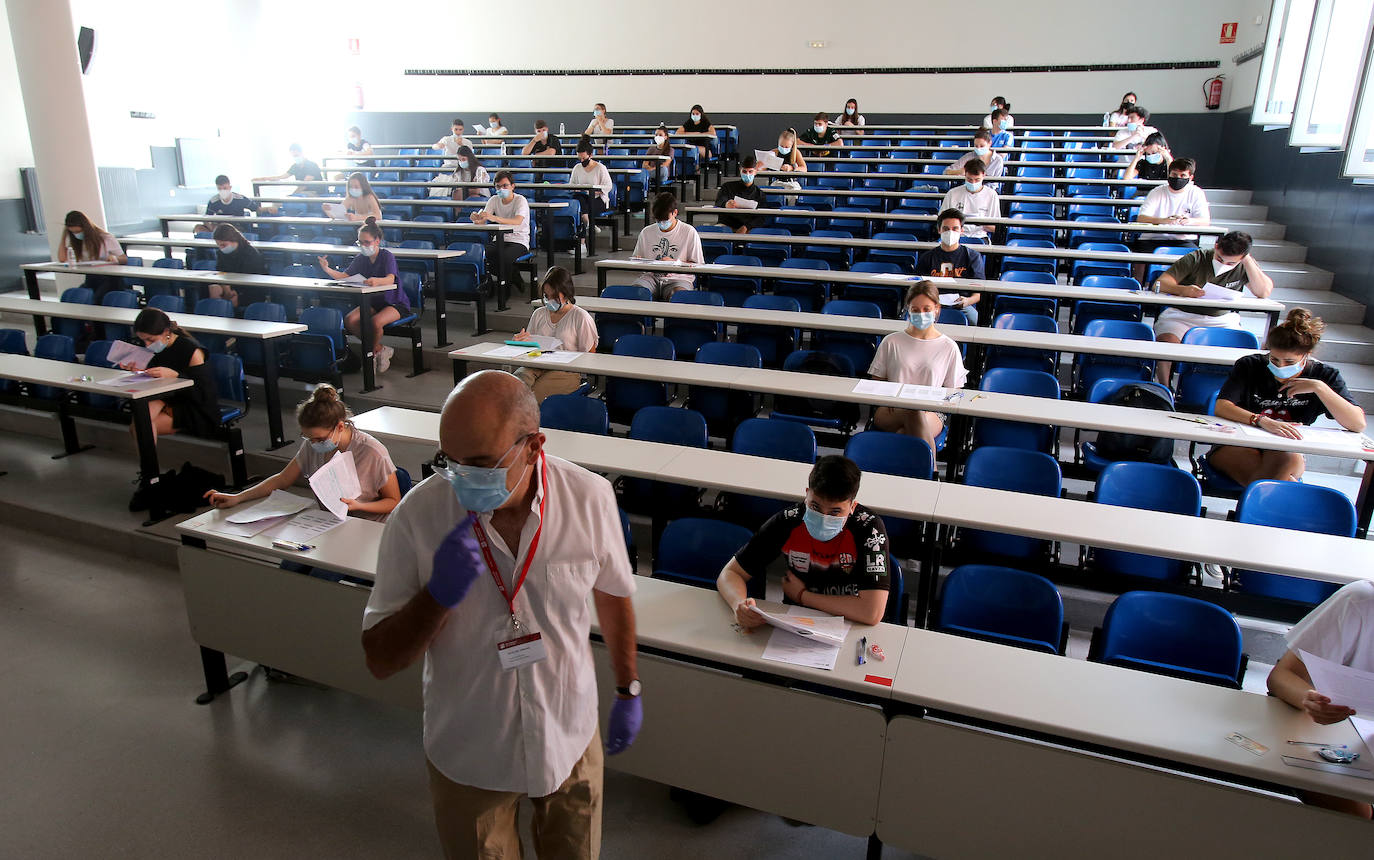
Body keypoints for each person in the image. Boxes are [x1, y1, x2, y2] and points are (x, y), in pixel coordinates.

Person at [361, 370, 642, 859]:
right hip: (472, 749)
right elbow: (381, 659)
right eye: (448, 461)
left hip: (567, 734)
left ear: (534, 446)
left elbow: (614, 595)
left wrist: (627, 687)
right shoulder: (417, 517)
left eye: (481, 463)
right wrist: (438, 596)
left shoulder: (589, 499)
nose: (460, 478)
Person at [717, 455, 891, 627]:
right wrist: (738, 605)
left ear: (852, 507)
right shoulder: (788, 521)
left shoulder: (869, 528)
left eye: (835, 512)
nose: (823, 518)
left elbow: (871, 612)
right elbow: (730, 574)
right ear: (806, 495)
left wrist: (802, 596)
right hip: (794, 622)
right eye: (815, 507)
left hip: (849, 622)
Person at [1210, 309, 1364, 484]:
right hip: (1237, 441)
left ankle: (1260, 504)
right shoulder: (1250, 365)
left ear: (1307, 355)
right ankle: (1272, 500)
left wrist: (1319, 388)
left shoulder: (1325, 376)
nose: (1280, 366)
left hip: (1286, 446)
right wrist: (1261, 420)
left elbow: (1357, 424)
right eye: (1274, 359)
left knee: (1287, 460)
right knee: (1281, 479)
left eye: (1289, 362)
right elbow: (1222, 406)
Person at [205, 384, 401, 521]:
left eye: (319, 439)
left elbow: (393, 502)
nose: (314, 444)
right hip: (331, 522)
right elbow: (283, 479)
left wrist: (359, 506)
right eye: (308, 438)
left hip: (368, 524)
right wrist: (239, 497)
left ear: (340, 427)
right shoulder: (312, 445)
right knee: (291, 567)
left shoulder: (372, 452)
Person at [1266, 581, 1374, 819]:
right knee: (1355, 818)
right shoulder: (1360, 601)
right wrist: (1309, 699)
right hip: (1338, 741)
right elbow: (1283, 676)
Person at [1151, 231, 1273, 382]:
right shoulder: (1197, 258)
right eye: (1220, 259)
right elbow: (1159, 283)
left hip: (1222, 319)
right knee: (1167, 342)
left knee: (1243, 346)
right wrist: (1183, 290)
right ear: (1216, 246)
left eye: (1230, 263)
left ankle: (1229, 389)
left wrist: (1248, 262)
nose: (1223, 265)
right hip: (1181, 316)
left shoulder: (1245, 265)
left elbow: (1263, 291)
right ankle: (1164, 387)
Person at [869, 281, 968, 463]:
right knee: (911, 411)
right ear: (908, 309)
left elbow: (955, 394)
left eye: (926, 309)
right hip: (890, 409)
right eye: (915, 310)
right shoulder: (891, 342)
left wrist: (931, 404)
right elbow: (876, 383)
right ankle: (931, 472)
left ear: (937, 309)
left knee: (908, 423)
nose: (921, 314)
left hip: (932, 413)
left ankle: (896, 470)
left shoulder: (949, 347)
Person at [317, 217, 410, 375]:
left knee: (374, 323)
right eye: (360, 242)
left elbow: (390, 279)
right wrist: (328, 269)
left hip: (394, 302)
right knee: (350, 320)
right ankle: (380, 349)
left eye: (367, 242)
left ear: (377, 240)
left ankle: (370, 354)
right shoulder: (361, 258)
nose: (364, 246)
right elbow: (345, 276)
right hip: (372, 301)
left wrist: (376, 281)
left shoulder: (387, 256)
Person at [122, 307, 219, 444]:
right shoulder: (155, 346)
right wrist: (140, 370)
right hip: (165, 397)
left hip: (192, 404)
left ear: (166, 332)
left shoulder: (191, 350)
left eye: (150, 340)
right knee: (142, 421)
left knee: (141, 426)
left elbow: (203, 392)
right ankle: (149, 464)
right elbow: (154, 377)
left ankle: (149, 464)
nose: (147, 345)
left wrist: (177, 376)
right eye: (143, 340)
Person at [514, 266, 598, 401]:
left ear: (566, 293)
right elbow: (530, 347)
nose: (549, 300)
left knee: (531, 398)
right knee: (513, 387)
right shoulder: (539, 314)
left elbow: (590, 356)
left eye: (554, 296)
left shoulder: (580, 316)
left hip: (567, 371)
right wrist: (520, 344)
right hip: (537, 364)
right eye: (546, 296)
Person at [1132, 157, 1211, 281]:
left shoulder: (1197, 193)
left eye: (1182, 175)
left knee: (1197, 258)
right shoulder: (1157, 192)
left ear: (1190, 178)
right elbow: (1141, 218)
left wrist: (1189, 221)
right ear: (1169, 174)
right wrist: (1164, 220)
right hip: (1153, 238)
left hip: (1182, 239)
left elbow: (1205, 221)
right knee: (1140, 256)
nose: (1178, 178)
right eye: (1174, 174)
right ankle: (1139, 286)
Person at [631, 191, 703, 301]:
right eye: (658, 220)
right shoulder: (646, 232)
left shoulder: (689, 232)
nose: (662, 223)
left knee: (678, 296)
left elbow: (698, 265)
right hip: (651, 277)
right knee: (637, 293)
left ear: (675, 213)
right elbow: (636, 259)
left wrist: (675, 263)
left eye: (665, 220)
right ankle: (642, 318)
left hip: (679, 278)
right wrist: (639, 261)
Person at [470, 171, 532, 297]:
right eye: (498, 186)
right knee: (483, 255)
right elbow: (483, 221)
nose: (501, 189)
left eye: (505, 186)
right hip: (499, 239)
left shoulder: (521, 200)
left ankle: (505, 293)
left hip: (519, 241)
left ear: (512, 186)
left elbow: (517, 221)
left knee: (504, 257)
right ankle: (509, 278)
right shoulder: (493, 200)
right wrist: (476, 219)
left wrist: (494, 218)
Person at [917, 210, 985, 323]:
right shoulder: (927, 257)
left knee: (977, 323)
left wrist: (968, 301)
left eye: (955, 229)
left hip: (962, 305)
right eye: (946, 229)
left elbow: (978, 293)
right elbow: (918, 287)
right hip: (931, 304)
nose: (950, 232)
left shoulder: (973, 257)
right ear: (939, 230)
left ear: (962, 231)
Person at [57, 210, 128, 302]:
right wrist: (63, 236)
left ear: (86, 227)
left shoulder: (105, 238)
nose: (76, 235)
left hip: (110, 279)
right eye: (73, 232)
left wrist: (115, 259)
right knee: (77, 299)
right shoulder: (77, 242)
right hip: (92, 278)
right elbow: (62, 259)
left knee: (94, 300)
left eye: (78, 231)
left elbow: (124, 259)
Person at [207, 223, 267, 306]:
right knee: (214, 288)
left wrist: (231, 289)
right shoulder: (221, 254)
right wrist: (225, 286)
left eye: (223, 245)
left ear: (233, 239)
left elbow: (248, 279)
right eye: (218, 245)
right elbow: (220, 270)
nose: (221, 248)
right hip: (229, 284)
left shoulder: (251, 253)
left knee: (233, 298)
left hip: (249, 289)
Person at [939, 159, 999, 241]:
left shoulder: (992, 195)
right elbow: (941, 220)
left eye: (977, 180)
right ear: (965, 175)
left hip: (979, 237)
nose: (973, 183)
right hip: (955, 236)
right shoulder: (952, 193)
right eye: (969, 179)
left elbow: (995, 227)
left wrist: (981, 223)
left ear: (984, 175)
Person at [570, 140, 613, 253]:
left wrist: (596, 190)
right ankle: (588, 223)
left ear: (590, 155)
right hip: (583, 198)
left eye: (584, 158)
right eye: (580, 158)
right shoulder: (577, 168)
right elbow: (572, 185)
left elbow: (608, 186)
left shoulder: (600, 168)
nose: (581, 161)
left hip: (598, 199)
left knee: (582, 210)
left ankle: (582, 242)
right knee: (579, 202)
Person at [712, 154, 765, 233]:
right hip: (726, 225)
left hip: (748, 228)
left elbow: (761, 217)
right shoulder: (727, 187)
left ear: (755, 172)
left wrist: (746, 227)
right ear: (740, 170)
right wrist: (726, 204)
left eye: (750, 171)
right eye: (744, 171)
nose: (747, 174)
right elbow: (719, 201)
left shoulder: (759, 194)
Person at [252, 143, 322, 196]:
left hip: (314, 192)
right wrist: (263, 178)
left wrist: (293, 195)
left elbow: (305, 184)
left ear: (302, 153)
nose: (295, 158)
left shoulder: (312, 165)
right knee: (277, 203)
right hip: (301, 192)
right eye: (293, 156)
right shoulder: (295, 166)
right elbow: (282, 177)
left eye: (296, 155)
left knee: (292, 200)